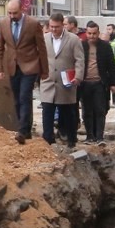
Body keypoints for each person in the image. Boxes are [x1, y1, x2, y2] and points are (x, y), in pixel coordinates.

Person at [0, 0, 47, 144]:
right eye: (9, 13)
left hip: (30, 65)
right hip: (12, 66)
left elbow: (41, 48)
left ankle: (21, 130)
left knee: (24, 97)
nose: (12, 16)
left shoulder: (33, 24)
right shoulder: (3, 24)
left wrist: (44, 71)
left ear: (22, 9)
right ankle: (26, 131)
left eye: (14, 13)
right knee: (17, 100)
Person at [37, 11, 82, 148]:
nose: (53, 29)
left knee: (68, 112)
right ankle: (48, 140)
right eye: (51, 26)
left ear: (62, 25)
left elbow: (79, 60)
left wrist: (78, 77)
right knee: (47, 111)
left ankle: (71, 139)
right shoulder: (44, 38)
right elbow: (39, 57)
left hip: (66, 82)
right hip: (48, 80)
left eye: (56, 27)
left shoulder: (73, 39)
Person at [77, 20, 115, 143]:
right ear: (86, 33)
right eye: (89, 33)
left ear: (98, 33)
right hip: (85, 84)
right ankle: (90, 136)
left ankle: (99, 137)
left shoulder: (105, 47)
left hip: (100, 84)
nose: (92, 36)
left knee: (100, 110)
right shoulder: (81, 46)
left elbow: (112, 66)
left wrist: (113, 84)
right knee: (87, 111)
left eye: (94, 33)